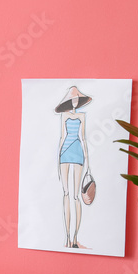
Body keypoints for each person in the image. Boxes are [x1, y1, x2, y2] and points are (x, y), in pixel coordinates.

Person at [55, 86, 91, 249]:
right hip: (65, 153)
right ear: (68, 101)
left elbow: (83, 138)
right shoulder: (63, 116)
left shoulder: (82, 116)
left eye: (77, 99)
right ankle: (67, 237)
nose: (75, 102)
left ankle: (75, 237)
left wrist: (88, 162)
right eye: (73, 99)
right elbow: (62, 137)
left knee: (76, 196)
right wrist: (57, 159)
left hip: (78, 153)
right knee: (66, 193)